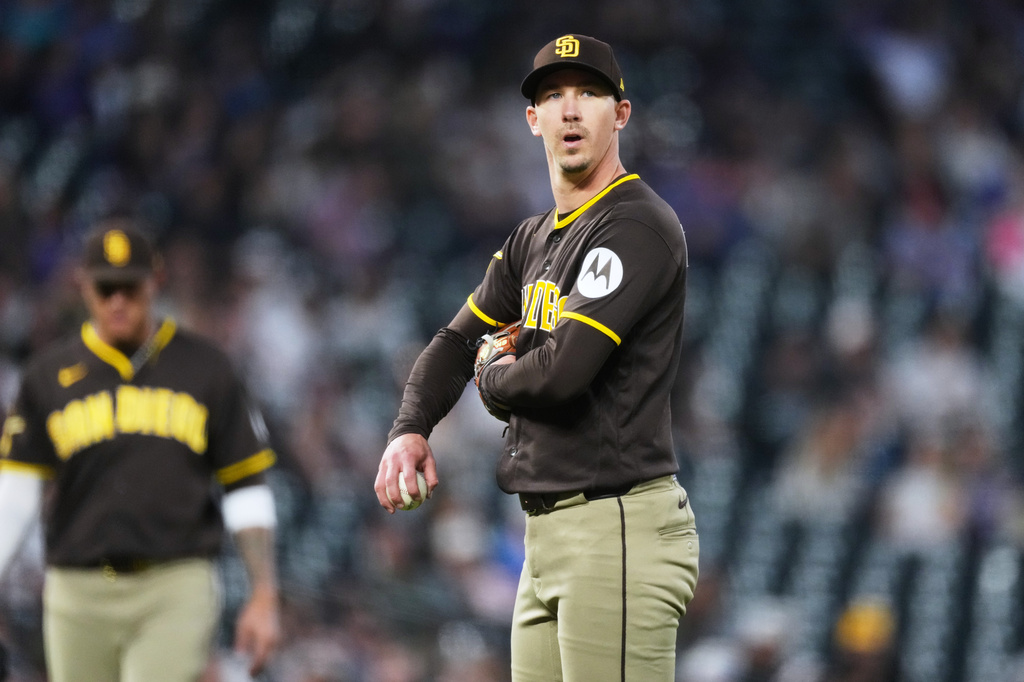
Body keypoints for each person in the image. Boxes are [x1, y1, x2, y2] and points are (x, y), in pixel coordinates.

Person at [375, 34, 699, 681]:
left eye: (589, 94)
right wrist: (410, 428)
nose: (571, 110)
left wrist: (490, 377)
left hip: (617, 528)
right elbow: (451, 342)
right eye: (553, 96)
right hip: (547, 537)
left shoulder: (634, 224)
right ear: (533, 120)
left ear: (621, 114)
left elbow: (559, 375)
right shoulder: (532, 239)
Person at [0, 219, 281, 681]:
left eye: (130, 287)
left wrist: (264, 593)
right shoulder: (47, 377)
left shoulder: (206, 369)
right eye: (105, 288)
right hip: (77, 587)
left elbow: (245, 485)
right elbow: (17, 494)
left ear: (156, 282)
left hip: (175, 584)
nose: (118, 301)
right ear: (82, 287)